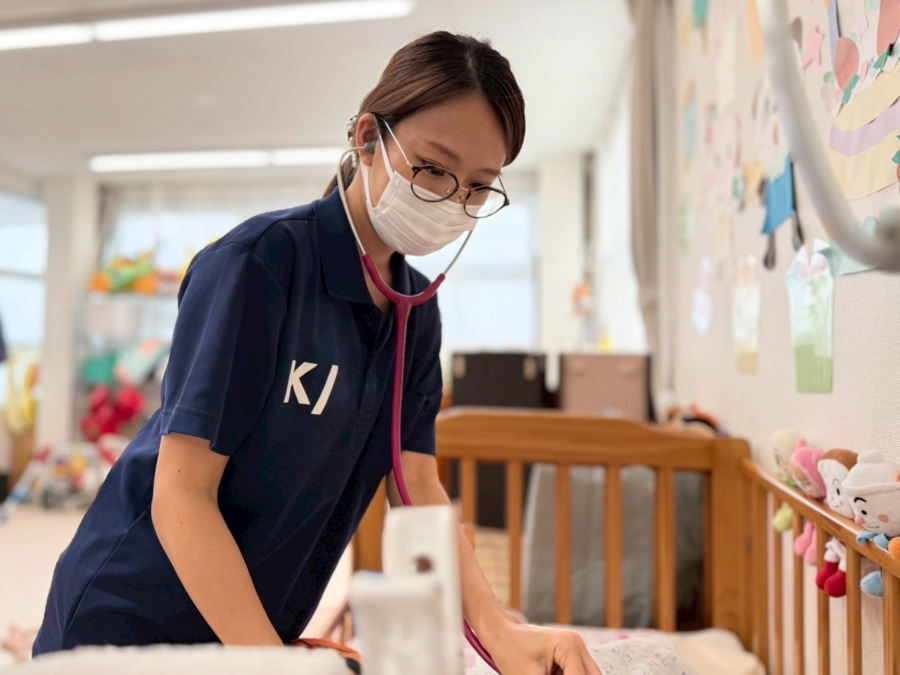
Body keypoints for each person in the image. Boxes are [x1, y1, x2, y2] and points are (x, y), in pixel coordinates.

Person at [33, 31, 601, 674]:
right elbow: (180, 493)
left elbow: (415, 485)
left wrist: (502, 633)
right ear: (366, 139)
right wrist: (272, 664)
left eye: (476, 187)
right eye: (433, 169)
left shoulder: (416, 310)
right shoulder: (258, 267)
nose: (451, 201)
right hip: (128, 621)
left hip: (250, 634)